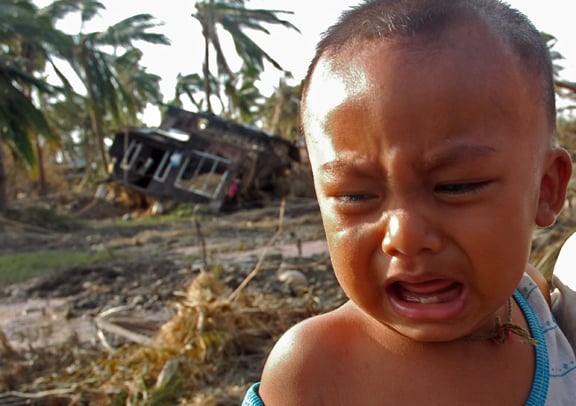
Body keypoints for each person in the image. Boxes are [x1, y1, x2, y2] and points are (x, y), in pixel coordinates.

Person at [242, 0, 575, 404]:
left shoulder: (539, 305)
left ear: (547, 188)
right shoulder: (314, 372)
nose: (405, 236)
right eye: (355, 195)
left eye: (456, 187)